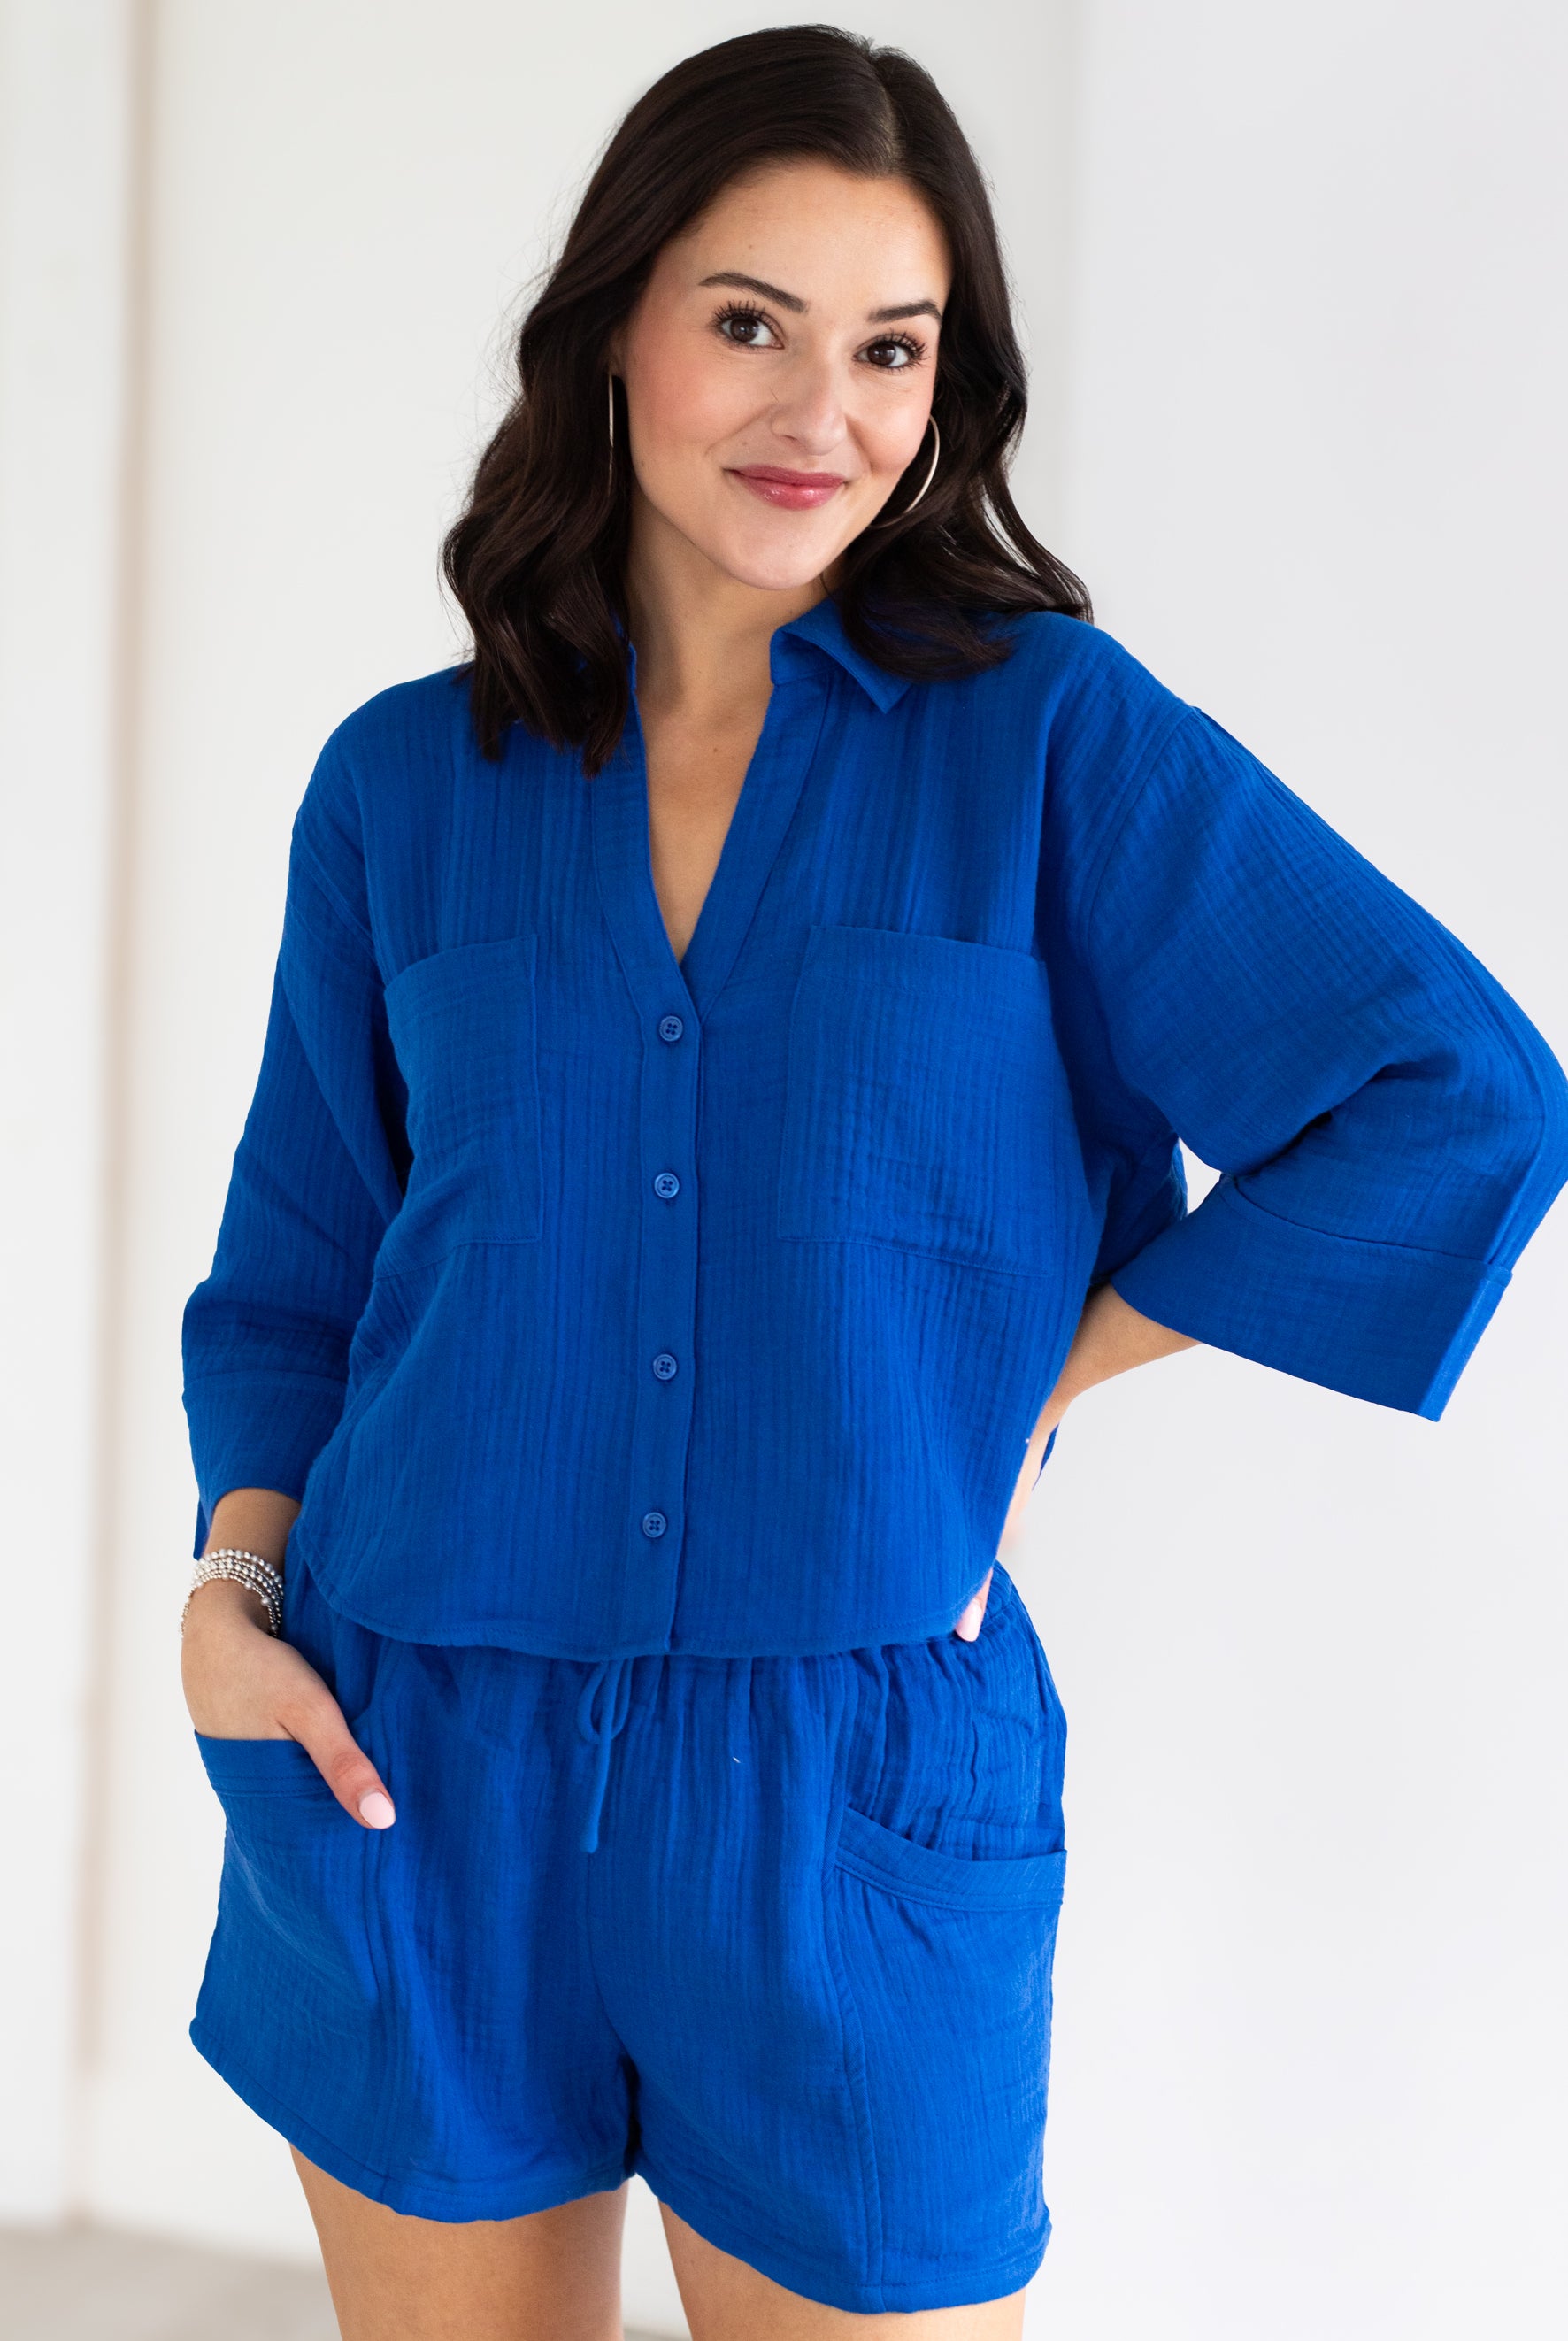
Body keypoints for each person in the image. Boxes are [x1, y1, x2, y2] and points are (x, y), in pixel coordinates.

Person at [177, 24, 1568, 2341]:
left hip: (848, 1796)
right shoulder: (402, 784)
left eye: (888, 348)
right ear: (611, 325)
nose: (819, 413)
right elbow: (302, 1267)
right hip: (406, 1753)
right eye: (748, 323)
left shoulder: (1046, 741)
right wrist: (228, 1590)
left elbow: (1454, 1090)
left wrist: (1051, 1358)